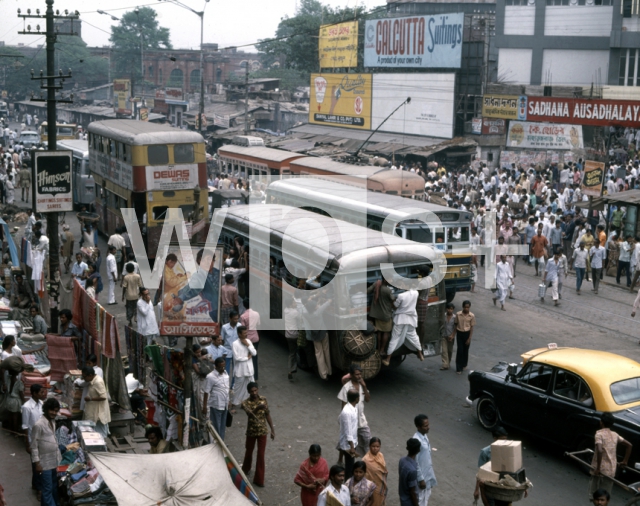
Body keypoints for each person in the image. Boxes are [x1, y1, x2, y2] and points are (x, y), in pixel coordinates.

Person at [589, 412, 632, 496]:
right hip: (611, 469)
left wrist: (598, 468)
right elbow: (629, 445)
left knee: (594, 493)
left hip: (600, 469)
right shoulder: (615, 435)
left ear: (601, 422)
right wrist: (625, 461)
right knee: (605, 495)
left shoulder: (599, 434)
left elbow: (600, 450)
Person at [241, 382, 275, 488]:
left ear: (258, 390)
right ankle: (245, 469)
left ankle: (259, 479)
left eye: (255, 390)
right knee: (249, 452)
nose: (254, 393)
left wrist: (272, 430)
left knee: (261, 455)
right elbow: (250, 415)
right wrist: (258, 408)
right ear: (248, 392)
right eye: (252, 391)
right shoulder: (245, 403)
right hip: (251, 432)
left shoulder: (263, 399)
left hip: (262, 432)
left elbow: (267, 414)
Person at [31, 398, 62, 506]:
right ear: (46, 410)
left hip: (54, 460)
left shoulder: (52, 421)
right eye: (52, 410)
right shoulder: (38, 425)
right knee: (47, 488)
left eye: (56, 410)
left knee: (53, 486)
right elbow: (34, 446)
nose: (54, 413)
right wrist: (37, 463)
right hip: (44, 463)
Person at [383, 288, 423, 366]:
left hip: (400, 319)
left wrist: (392, 302)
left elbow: (395, 306)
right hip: (411, 319)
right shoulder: (416, 293)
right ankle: (420, 354)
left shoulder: (401, 296)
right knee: (414, 336)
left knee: (394, 339)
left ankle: (387, 359)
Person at [338, 365, 371, 460]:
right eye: (357, 374)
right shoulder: (346, 387)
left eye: (360, 374)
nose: (359, 376)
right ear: (351, 375)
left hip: (361, 419)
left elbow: (368, 399)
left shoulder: (361, 386)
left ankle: (367, 460)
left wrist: (364, 386)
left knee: (367, 438)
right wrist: (345, 420)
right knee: (346, 439)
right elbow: (343, 406)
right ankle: (340, 458)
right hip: (350, 419)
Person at [22, 384, 45, 500]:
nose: (43, 394)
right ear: (34, 393)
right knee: (37, 464)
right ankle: (39, 489)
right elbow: (25, 426)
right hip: (33, 441)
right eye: (41, 392)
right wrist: (27, 444)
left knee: (40, 463)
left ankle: (35, 484)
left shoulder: (41, 404)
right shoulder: (27, 407)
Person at [474, 426, 509, 502]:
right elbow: (480, 472)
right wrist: (477, 489)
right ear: (495, 438)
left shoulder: (508, 451)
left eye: (505, 440)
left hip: (502, 486)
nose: (504, 442)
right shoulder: (485, 452)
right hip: (489, 485)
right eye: (502, 440)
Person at [366, 277, 395, 356]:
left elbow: (367, 291)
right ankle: (382, 350)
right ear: (386, 280)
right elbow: (393, 301)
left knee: (379, 332)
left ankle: (378, 349)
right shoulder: (388, 290)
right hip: (386, 315)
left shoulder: (377, 284)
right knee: (386, 332)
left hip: (377, 314)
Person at [203, 357, 229, 440]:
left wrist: (229, 400)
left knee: (222, 426)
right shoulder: (210, 376)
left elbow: (226, 388)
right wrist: (204, 406)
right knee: (216, 426)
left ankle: (221, 443)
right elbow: (206, 392)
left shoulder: (226, 374)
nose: (223, 368)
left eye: (224, 366)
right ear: (216, 366)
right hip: (216, 404)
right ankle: (215, 443)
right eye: (220, 367)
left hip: (225, 404)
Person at [413, 414, 436, 506]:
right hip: (421, 476)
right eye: (425, 426)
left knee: (425, 498)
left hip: (427, 474)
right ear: (419, 427)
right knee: (419, 499)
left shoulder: (424, 436)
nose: (428, 427)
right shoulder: (416, 440)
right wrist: (421, 479)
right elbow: (416, 462)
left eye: (428, 425)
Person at [81, 366, 110, 438]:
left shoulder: (98, 382)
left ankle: (101, 446)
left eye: (84, 377)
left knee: (100, 434)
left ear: (90, 375)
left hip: (98, 414)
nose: (84, 379)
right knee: (94, 433)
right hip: (93, 411)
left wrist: (90, 399)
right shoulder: (93, 380)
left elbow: (103, 397)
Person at [231, 325, 256, 408]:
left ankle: (245, 403)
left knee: (250, 387)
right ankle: (234, 403)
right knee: (237, 388)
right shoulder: (235, 344)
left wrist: (248, 345)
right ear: (239, 334)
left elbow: (254, 353)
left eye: (246, 332)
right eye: (244, 333)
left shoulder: (248, 341)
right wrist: (247, 358)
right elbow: (237, 358)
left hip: (249, 370)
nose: (246, 334)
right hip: (240, 370)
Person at [338, 389, 359, 480]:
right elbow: (348, 431)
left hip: (353, 442)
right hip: (349, 445)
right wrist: (352, 446)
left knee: (350, 464)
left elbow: (339, 420)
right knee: (349, 467)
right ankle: (347, 485)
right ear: (357, 399)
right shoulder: (347, 412)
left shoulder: (353, 408)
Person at [362, 438, 388, 506]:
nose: (375, 448)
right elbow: (364, 475)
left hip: (381, 485)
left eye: (377, 446)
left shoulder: (381, 455)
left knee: (380, 501)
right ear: (369, 446)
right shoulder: (365, 460)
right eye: (373, 446)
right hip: (372, 487)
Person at [240, 298, 261, 381]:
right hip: (255, 338)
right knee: (254, 357)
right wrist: (259, 337)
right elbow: (259, 326)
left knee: (247, 357)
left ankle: (248, 375)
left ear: (244, 306)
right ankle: (255, 376)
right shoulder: (256, 314)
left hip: (247, 339)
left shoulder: (243, 316)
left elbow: (243, 329)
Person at [452, 301, 475, 375]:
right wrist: (453, 334)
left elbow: (471, 327)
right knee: (460, 351)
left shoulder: (471, 316)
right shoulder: (458, 314)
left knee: (465, 350)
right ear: (463, 307)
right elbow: (456, 325)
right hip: (459, 333)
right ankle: (459, 368)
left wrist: (469, 338)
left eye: (468, 307)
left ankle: (464, 364)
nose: (466, 309)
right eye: (465, 307)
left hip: (467, 334)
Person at [399, 438, 422, 506]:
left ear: (407, 448)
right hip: (409, 502)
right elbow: (412, 492)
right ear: (418, 450)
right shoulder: (412, 470)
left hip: (402, 496)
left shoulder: (402, 460)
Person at [284, 296, 300, 381]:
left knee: (291, 353)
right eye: (294, 302)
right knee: (297, 350)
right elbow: (300, 319)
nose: (295, 303)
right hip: (295, 335)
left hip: (288, 335)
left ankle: (290, 370)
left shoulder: (285, 311)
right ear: (290, 304)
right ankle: (294, 366)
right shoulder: (295, 312)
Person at [221, 311, 240, 379]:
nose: (236, 320)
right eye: (234, 319)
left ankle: (233, 386)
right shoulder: (224, 327)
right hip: (227, 350)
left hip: (237, 351)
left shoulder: (239, 326)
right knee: (226, 370)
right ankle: (226, 386)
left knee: (236, 370)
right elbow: (222, 340)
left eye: (237, 319)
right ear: (230, 318)